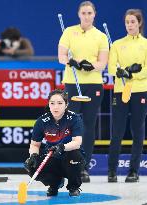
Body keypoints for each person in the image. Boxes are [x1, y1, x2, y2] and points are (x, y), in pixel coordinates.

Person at [58, 1, 109, 183]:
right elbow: (61, 56)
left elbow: (103, 63)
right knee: (69, 125)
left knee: (88, 126)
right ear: (79, 14)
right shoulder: (68, 32)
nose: (86, 16)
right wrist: (70, 62)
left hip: (93, 84)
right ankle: (67, 164)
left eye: (89, 13)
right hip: (72, 83)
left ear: (94, 14)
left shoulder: (101, 36)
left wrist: (89, 66)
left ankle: (83, 168)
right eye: (83, 13)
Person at [107, 9, 147, 183]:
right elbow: (112, 68)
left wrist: (132, 75)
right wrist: (122, 72)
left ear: (139, 23)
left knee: (137, 131)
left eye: (133, 22)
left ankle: (133, 171)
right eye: (127, 22)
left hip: (140, 92)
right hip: (121, 92)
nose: (130, 25)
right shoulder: (117, 44)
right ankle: (112, 171)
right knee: (117, 132)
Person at [24, 89, 84, 197]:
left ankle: (73, 187)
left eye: (60, 103)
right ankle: (54, 183)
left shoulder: (74, 119)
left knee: (75, 155)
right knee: (31, 165)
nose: (55, 107)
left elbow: (77, 142)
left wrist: (62, 147)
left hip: (69, 155)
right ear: (48, 104)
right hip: (51, 156)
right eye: (52, 103)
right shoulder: (42, 121)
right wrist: (33, 155)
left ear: (66, 105)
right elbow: (34, 144)